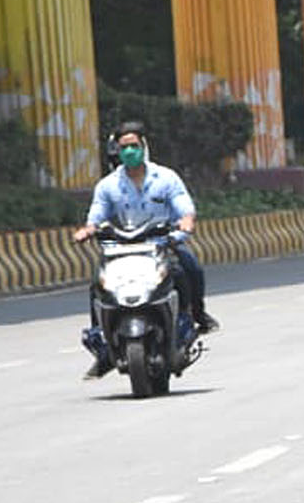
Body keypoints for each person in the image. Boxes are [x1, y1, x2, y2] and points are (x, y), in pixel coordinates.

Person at [74, 120, 217, 380]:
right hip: (121, 249)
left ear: (144, 147)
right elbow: (96, 214)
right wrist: (88, 229)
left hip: (162, 246)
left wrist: (186, 221)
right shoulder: (108, 186)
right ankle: (103, 346)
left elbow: (183, 205)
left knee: (190, 268)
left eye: (134, 146)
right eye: (124, 147)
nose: (130, 152)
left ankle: (197, 315)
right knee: (98, 284)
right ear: (117, 151)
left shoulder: (165, 178)